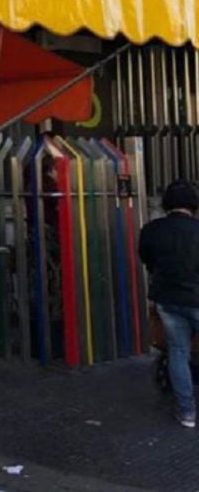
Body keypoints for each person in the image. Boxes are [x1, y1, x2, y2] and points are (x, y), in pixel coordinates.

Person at [139, 180, 199, 428]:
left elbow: (147, 260)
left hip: (168, 299)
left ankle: (187, 413)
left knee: (178, 352)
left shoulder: (152, 230)